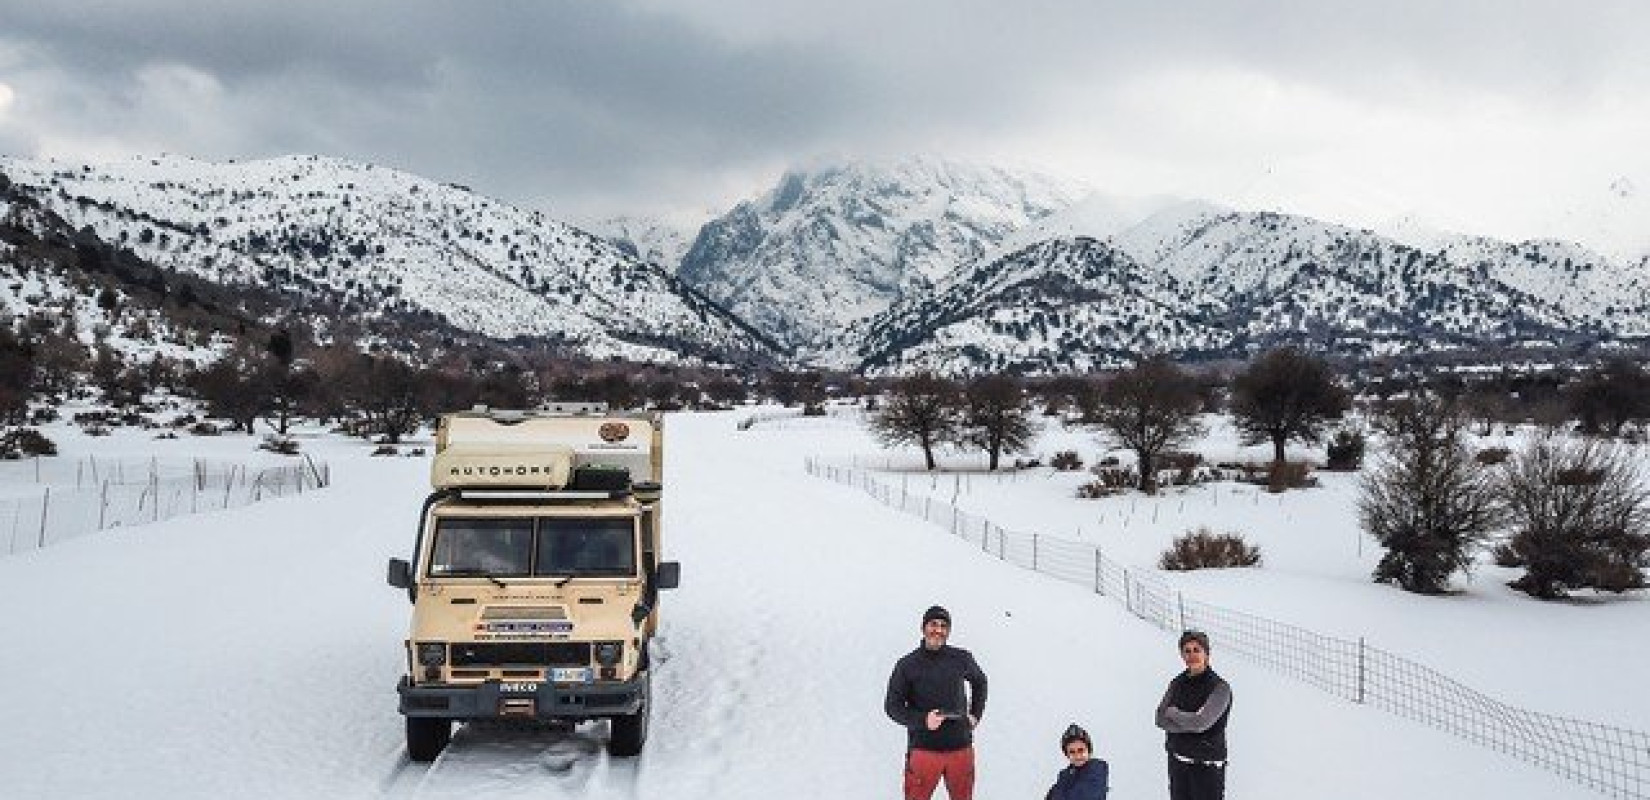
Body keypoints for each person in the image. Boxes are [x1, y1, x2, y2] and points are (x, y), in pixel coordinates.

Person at [884, 605, 989, 800]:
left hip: (961, 748)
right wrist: (923, 719)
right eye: (933, 624)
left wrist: (975, 715)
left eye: (943, 626)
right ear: (923, 628)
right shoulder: (907, 665)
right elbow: (892, 707)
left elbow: (980, 681)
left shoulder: (961, 658)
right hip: (924, 750)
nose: (938, 630)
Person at [1154, 630, 1232, 800]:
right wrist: (1189, 721)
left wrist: (1174, 713)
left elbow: (1201, 723)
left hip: (1206, 767)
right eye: (1187, 651)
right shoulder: (1176, 683)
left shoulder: (1220, 688)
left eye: (1197, 650)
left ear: (1207, 653)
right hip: (1178, 763)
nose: (1192, 655)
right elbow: (1160, 718)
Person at [1045, 723, 1109, 800]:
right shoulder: (1065, 775)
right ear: (1067, 755)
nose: (1077, 756)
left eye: (1081, 750)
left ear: (1088, 750)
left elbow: (1086, 796)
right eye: (1072, 752)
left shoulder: (1097, 768)